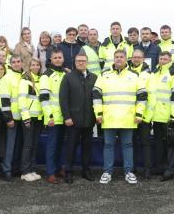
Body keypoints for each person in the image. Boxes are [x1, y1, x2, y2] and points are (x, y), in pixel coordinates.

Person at [93, 49, 147, 184]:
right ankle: (107, 172)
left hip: (128, 118)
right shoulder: (104, 75)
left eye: (121, 57)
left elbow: (142, 96)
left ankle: (129, 172)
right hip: (108, 118)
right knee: (108, 145)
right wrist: (98, 113)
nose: (118, 59)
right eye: (116, 57)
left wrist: (139, 113)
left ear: (126, 59)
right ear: (113, 59)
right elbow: (96, 95)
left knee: (128, 145)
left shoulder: (134, 75)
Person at [59, 52, 97, 183]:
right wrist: (67, 117)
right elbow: (63, 99)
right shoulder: (68, 77)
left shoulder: (94, 78)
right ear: (75, 62)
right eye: (78, 61)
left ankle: (86, 170)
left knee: (87, 147)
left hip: (89, 120)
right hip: (73, 120)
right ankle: (68, 171)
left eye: (83, 61)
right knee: (71, 147)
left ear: (87, 62)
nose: (81, 63)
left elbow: (97, 98)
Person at [150, 51, 174, 180]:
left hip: (168, 115)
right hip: (156, 115)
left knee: (170, 145)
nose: (163, 61)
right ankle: (159, 167)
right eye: (161, 59)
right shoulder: (155, 72)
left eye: (165, 59)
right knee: (159, 144)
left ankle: (169, 170)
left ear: (170, 60)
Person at [40, 49, 67, 183]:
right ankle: (50, 173)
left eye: (59, 57)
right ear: (51, 60)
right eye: (55, 57)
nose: (57, 59)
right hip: (53, 118)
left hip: (64, 117)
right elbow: (43, 98)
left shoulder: (66, 74)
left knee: (60, 145)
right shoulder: (46, 76)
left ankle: (58, 168)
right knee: (52, 146)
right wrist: (49, 116)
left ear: (63, 59)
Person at [0, 55, 24, 182]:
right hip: (12, 118)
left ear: (22, 63)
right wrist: (8, 118)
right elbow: (4, 100)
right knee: (10, 145)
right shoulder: (6, 78)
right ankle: (6, 170)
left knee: (19, 145)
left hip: (23, 117)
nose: (16, 64)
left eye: (18, 61)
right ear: (10, 64)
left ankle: (15, 168)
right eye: (13, 62)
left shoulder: (25, 76)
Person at [128, 49, 152, 178]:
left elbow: (151, 96)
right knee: (130, 143)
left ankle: (147, 169)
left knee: (145, 143)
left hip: (144, 115)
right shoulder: (126, 72)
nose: (136, 59)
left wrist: (146, 115)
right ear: (131, 58)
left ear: (143, 59)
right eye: (134, 57)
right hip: (130, 115)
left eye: (139, 57)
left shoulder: (149, 74)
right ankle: (132, 168)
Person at [18, 58, 44, 182]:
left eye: (37, 65)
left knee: (34, 145)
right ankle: (25, 172)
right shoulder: (25, 80)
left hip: (39, 117)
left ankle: (32, 169)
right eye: (33, 65)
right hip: (29, 118)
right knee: (27, 145)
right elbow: (22, 100)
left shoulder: (41, 79)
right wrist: (26, 117)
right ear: (29, 66)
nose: (35, 67)